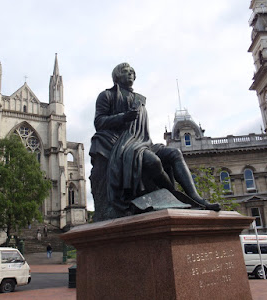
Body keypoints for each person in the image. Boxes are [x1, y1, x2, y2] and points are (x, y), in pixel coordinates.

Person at [89, 62, 220, 218]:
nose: (130, 73)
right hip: (122, 144)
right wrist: (123, 117)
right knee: (154, 162)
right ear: (117, 75)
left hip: (143, 142)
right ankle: (173, 194)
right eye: (125, 71)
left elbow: (142, 130)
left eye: (132, 71)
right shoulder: (107, 95)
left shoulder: (139, 99)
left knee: (175, 153)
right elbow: (99, 122)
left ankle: (196, 198)